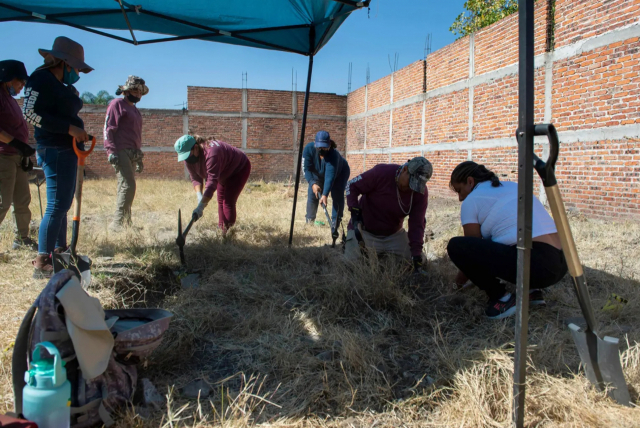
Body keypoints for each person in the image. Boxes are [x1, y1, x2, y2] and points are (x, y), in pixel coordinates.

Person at [446, 161, 568, 319]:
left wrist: (457, 285)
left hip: (538, 264)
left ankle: (501, 298)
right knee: (510, 239)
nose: (460, 198)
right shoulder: (512, 186)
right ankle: (531, 292)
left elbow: (471, 251)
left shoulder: (471, 201)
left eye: (459, 190)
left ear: (470, 181)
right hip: (563, 261)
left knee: (456, 246)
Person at [23, 37, 93, 279]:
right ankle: (43, 260)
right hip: (54, 148)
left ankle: (60, 253)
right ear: (63, 62)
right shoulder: (40, 79)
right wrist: (69, 129)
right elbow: (29, 113)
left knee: (62, 205)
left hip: (68, 149)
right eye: (75, 68)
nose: (77, 73)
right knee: (55, 206)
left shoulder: (60, 85)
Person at [344, 156, 432, 274]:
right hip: (365, 232)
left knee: (416, 261)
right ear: (405, 169)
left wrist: (416, 255)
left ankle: (381, 257)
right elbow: (351, 185)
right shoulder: (382, 173)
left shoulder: (420, 193)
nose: (411, 189)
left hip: (393, 236)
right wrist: (355, 212)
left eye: (416, 186)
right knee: (352, 266)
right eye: (410, 183)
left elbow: (417, 224)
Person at [174, 135, 251, 234]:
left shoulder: (211, 153)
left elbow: (211, 183)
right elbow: (195, 178)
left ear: (196, 147)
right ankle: (221, 230)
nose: (187, 159)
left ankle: (227, 235)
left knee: (227, 202)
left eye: (188, 155)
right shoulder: (189, 158)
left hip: (239, 168)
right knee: (220, 201)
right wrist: (199, 196)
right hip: (223, 171)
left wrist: (201, 207)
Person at [0, 60, 37, 251]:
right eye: (20, 81)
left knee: (22, 200)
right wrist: (15, 143)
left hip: (17, 157)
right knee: (2, 202)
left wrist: (24, 153)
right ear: (8, 79)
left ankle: (22, 239)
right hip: (3, 156)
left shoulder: (10, 99)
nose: (22, 86)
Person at [103, 75, 149, 231]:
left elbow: (136, 134)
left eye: (140, 92)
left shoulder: (135, 110)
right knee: (128, 185)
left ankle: (126, 223)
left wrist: (139, 156)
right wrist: (110, 150)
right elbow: (108, 128)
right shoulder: (117, 104)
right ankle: (117, 224)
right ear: (127, 90)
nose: (138, 95)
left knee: (126, 187)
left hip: (133, 152)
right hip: (120, 150)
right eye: (135, 90)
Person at [302, 130, 350, 232]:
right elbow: (306, 169)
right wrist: (313, 183)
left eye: (325, 147)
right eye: (320, 147)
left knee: (337, 195)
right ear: (315, 144)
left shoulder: (333, 155)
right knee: (313, 193)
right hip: (317, 175)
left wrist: (324, 195)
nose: (322, 149)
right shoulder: (308, 149)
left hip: (340, 174)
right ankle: (310, 220)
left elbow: (330, 177)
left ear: (329, 145)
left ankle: (335, 222)